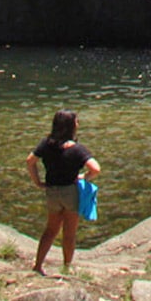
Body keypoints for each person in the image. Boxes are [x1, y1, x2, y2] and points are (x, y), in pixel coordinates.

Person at [26, 109, 101, 274]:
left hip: (52, 192)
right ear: (71, 126)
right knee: (69, 233)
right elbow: (95, 168)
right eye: (76, 121)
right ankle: (66, 268)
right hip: (70, 192)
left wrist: (37, 182)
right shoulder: (77, 149)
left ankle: (38, 265)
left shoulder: (46, 144)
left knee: (50, 230)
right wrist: (84, 177)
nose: (78, 124)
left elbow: (30, 161)